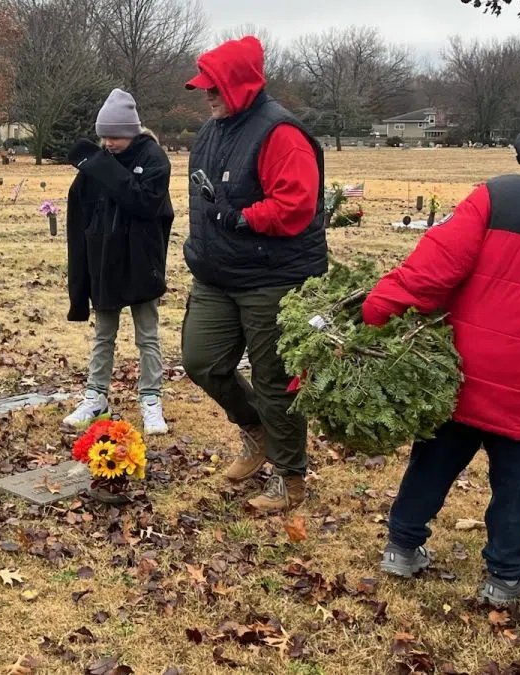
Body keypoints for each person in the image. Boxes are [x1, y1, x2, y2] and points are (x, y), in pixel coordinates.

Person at [364, 93, 520, 605]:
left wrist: (372, 313)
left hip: (462, 372)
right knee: (516, 483)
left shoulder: (496, 196)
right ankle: (506, 577)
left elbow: (427, 274)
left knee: (433, 460)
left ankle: (402, 548)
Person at [180, 35, 327, 513]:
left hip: (272, 277)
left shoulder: (280, 133)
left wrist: (244, 217)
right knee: (202, 361)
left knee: (274, 379)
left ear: (240, 85)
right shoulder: (213, 130)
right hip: (217, 275)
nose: (207, 96)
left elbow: (296, 206)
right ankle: (256, 431)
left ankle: (290, 477)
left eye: (214, 88)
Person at [63, 88, 174, 435]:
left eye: (115, 136)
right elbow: (80, 214)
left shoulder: (154, 159)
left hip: (141, 261)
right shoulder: (96, 165)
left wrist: (105, 169)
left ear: (131, 132)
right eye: (104, 137)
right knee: (103, 334)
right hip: (105, 261)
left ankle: (151, 399)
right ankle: (96, 396)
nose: (108, 143)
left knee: (147, 335)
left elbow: (144, 203)